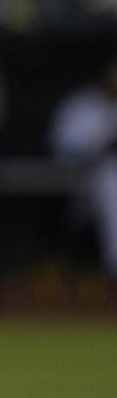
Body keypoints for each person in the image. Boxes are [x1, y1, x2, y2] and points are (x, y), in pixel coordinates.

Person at [47, 57, 117, 279]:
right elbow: (62, 145)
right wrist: (100, 145)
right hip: (84, 180)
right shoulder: (82, 104)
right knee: (110, 184)